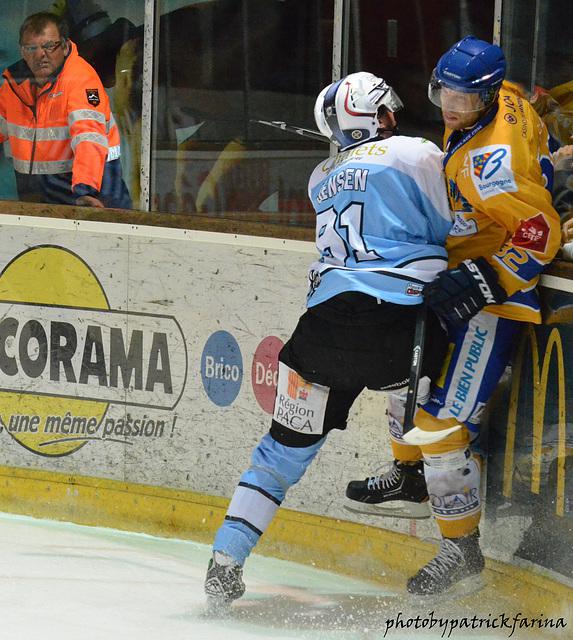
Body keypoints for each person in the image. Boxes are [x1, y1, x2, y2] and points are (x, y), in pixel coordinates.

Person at [203, 70, 454, 608]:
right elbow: (448, 228)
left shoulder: (321, 176)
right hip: (399, 324)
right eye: (387, 108)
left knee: (280, 454)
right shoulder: (418, 153)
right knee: (439, 414)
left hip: (323, 329)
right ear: (378, 115)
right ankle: (421, 487)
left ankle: (225, 560)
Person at [346, 36, 562, 596]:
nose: (451, 106)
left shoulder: (493, 165)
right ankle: (411, 477)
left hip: (495, 300)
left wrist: (484, 278)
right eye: (445, 92)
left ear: (485, 98)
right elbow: (537, 119)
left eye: (463, 99)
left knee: (441, 425)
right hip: (458, 270)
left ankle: (462, 551)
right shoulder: (502, 94)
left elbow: (539, 235)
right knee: (402, 374)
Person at [0, 12, 131, 208]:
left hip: (94, 189)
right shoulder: (14, 86)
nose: (40, 54)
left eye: (49, 46)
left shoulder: (80, 79)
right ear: (22, 52)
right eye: (32, 48)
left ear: (65, 46)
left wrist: (86, 191)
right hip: (40, 194)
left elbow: (89, 139)